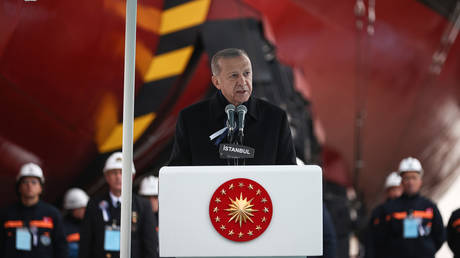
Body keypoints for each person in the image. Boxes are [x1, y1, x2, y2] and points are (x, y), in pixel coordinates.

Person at [168, 48, 296, 166]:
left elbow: (288, 172)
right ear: (217, 82)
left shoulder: (275, 118)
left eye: (246, 73)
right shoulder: (191, 119)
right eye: (234, 75)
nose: (242, 82)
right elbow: (178, 172)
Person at [79, 152, 159, 258]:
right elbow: (85, 244)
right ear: (106, 176)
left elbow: (150, 246)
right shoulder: (94, 204)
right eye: (114, 173)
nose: (118, 177)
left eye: (122, 172)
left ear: (132, 176)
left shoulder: (143, 206)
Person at [376, 157, 445, 258]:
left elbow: (440, 235)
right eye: (407, 178)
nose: (410, 182)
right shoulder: (389, 209)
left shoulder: (429, 207)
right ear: (401, 182)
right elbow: (381, 238)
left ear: (420, 181)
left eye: (414, 177)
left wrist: (427, 250)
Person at [0, 163, 68, 257]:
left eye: (34, 182)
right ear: (19, 187)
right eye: (25, 182)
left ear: (41, 188)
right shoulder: (7, 214)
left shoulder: (52, 214)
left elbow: (61, 247)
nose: (29, 186)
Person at [365, 172, 402, 258]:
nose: (397, 193)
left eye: (399, 189)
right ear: (387, 191)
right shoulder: (379, 212)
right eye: (393, 190)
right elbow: (370, 239)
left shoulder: (410, 210)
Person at [63, 188, 89, 258]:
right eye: (82, 208)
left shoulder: (89, 224)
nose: (85, 211)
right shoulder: (62, 227)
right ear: (73, 209)